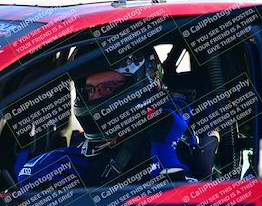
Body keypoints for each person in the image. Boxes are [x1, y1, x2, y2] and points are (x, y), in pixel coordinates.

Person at [17, 46, 218, 186]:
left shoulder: (170, 134)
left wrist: (164, 152)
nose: (96, 96)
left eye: (108, 87)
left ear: (144, 82)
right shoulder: (81, 153)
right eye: (89, 90)